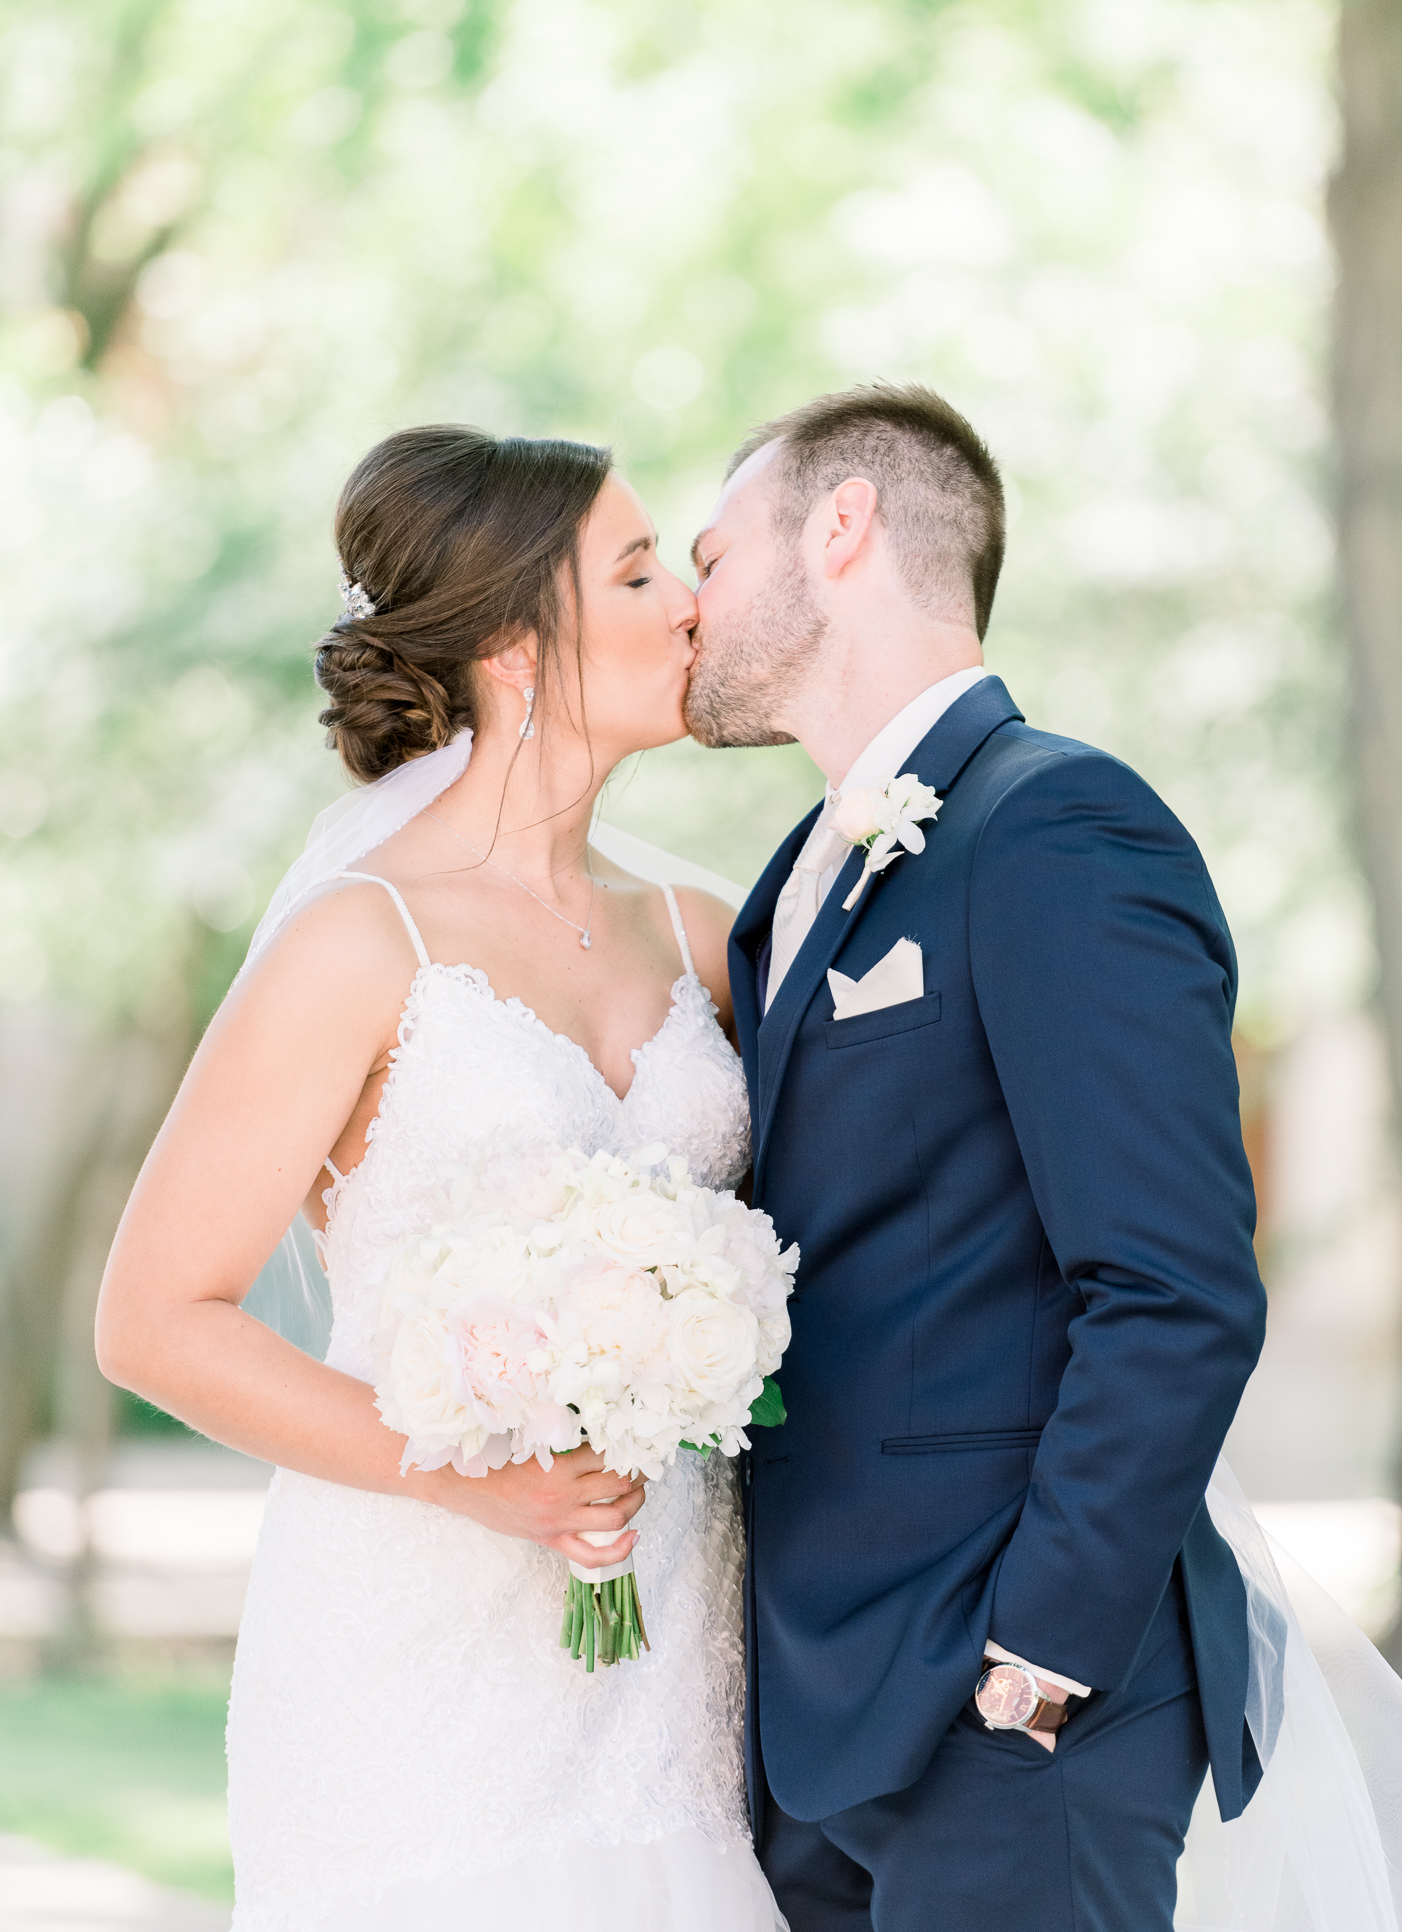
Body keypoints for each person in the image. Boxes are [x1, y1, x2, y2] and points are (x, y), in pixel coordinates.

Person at [95, 426, 785, 1932]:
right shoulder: (361, 942)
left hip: (670, 1649)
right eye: (637, 567)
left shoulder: (703, 933)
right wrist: (485, 1483)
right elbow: (154, 1320)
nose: (689, 600)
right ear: (511, 647)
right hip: (415, 1656)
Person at [684, 381, 1271, 1932]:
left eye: (713, 555)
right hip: (819, 1713)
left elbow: (1173, 1284)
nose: (690, 605)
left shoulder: (1058, 827)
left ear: (843, 525)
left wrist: (1037, 1661)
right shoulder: (789, 881)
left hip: (1008, 1713)